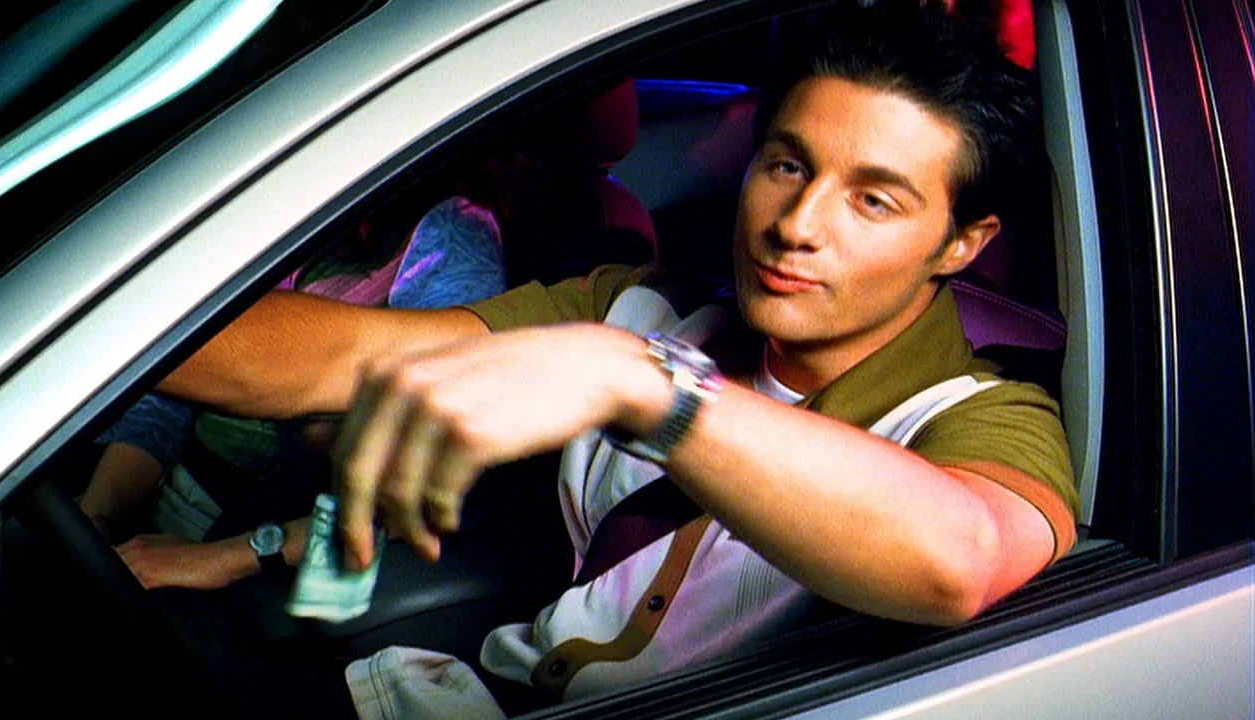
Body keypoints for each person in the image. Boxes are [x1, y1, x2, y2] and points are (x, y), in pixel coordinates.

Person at [155, 3, 1077, 713]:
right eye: (788, 166)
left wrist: (641, 387)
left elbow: (958, 559)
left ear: (962, 243)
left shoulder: (977, 414)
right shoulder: (641, 308)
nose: (797, 226)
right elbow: (330, 360)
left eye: (874, 202)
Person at [79, 194, 508, 590]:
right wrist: (99, 514)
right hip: (168, 485)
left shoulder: (452, 238)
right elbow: (183, 375)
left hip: (275, 537)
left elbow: (415, 478)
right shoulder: (295, 213)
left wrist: (223, 558)